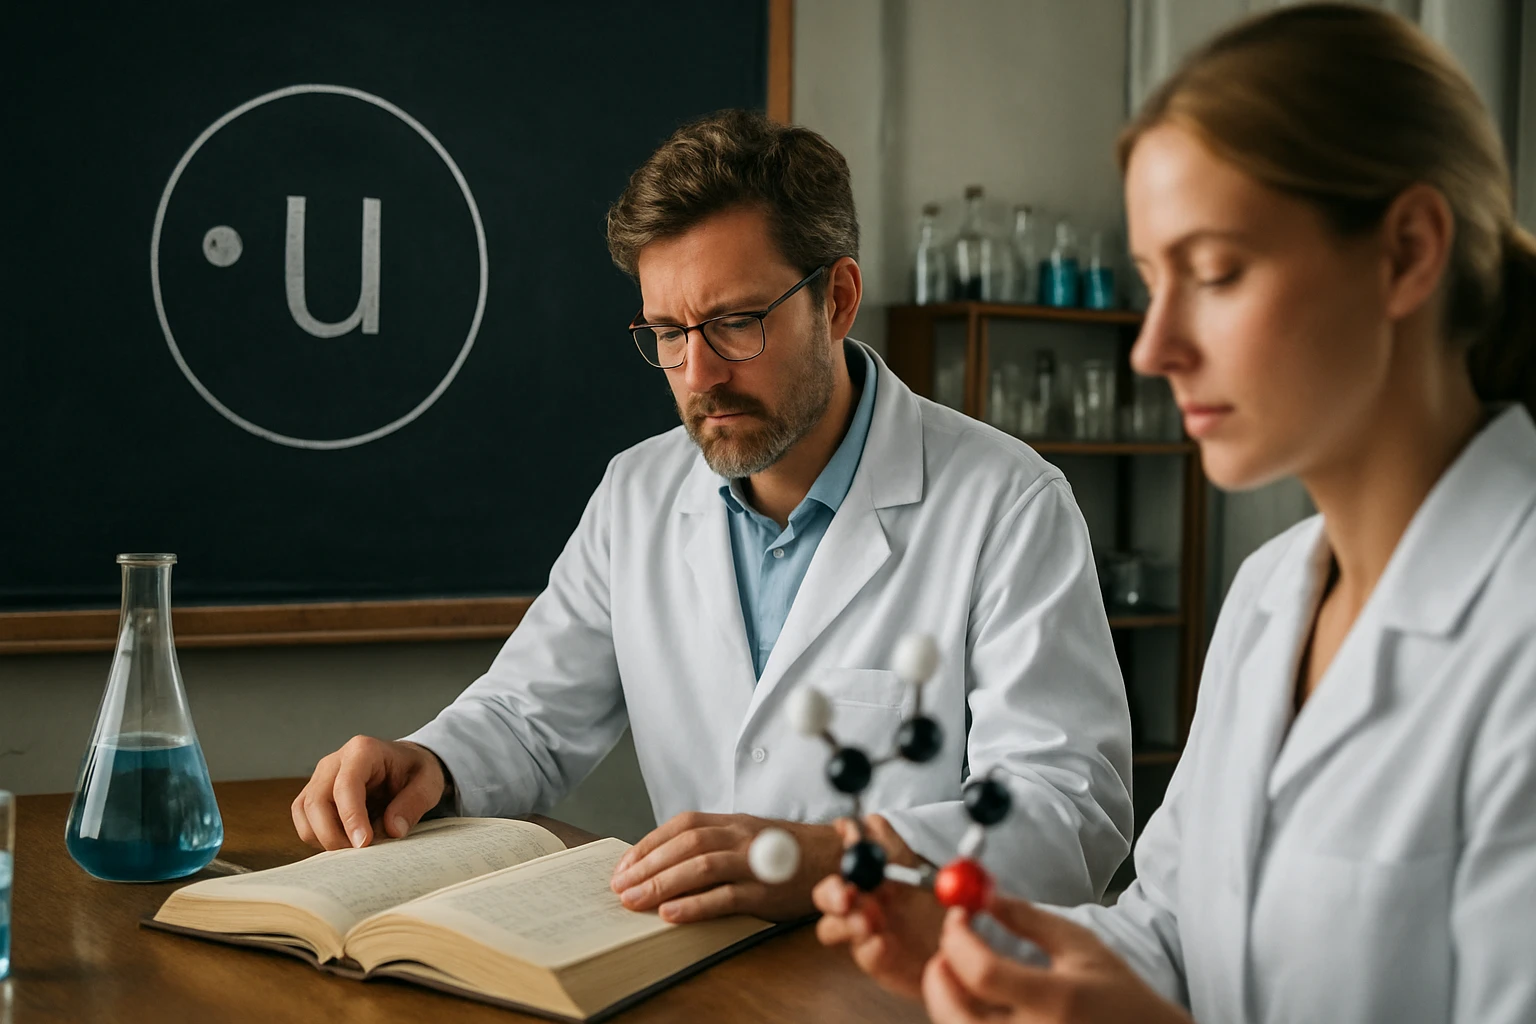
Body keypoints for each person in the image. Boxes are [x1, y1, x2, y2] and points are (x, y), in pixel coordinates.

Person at [812, 5, 1536, 1021]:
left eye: (1216, 273)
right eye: (1154, 283)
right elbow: (1179, 931)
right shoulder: (1274, 590)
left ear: (1408, 251)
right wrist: (981, 936)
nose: (1152, 350)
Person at [291, 110, 1134, 926]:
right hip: (707, 980)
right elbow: (530, 719)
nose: (697, 375)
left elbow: (1069, 818)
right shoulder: (638, 493)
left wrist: (835, 857)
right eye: (666, 331)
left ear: (837, 300)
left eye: (735, 324)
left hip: (914, 987)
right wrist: (429, 762)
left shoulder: (1008, 505)